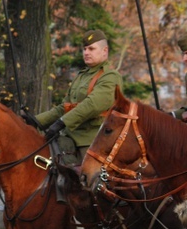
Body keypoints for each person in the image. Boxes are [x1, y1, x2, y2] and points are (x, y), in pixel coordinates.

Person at [31, 29, 122, 165]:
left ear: (105, 51)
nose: (86, 52)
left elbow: (92, 105)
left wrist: (62, 122)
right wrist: (35, 121)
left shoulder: (110, 76)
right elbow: (65, 107)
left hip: (92, 140)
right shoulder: (82, 76)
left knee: (87, 181)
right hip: (69, 137)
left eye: (91, 49)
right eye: (84, 49)